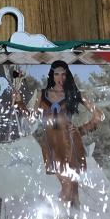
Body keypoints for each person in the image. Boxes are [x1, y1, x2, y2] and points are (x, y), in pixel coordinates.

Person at [11, 60, 103, 208]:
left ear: (68, 75)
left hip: (71, 144)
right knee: (68, 186)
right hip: (52, 145)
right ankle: (58, 218)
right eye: (57, 74)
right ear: (52, 76)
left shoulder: (76, 94)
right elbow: (32, 119)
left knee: (73, 190)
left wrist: (81, 130)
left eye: (64, 74)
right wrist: (19, 103)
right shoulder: (41, 94)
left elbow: (99, 115)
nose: (60, 78)